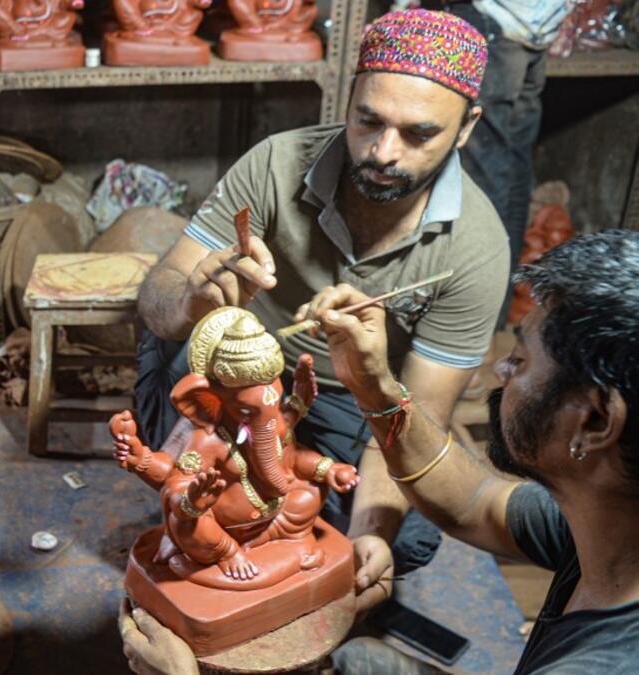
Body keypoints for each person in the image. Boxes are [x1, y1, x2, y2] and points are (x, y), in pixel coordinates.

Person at [122, 229, 639, 674]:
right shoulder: (607, 518)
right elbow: (474, 500)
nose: (500, 371)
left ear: (595, 421)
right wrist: (373, 384)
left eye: (520, 360)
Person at [134, 8, 510, 603]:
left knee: (403, 537)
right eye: (369, 121)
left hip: (349, 398)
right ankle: (209, 510)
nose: (383, 152)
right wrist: (192, 300)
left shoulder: (477, 248)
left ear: (465, 128)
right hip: (231, 377)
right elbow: (156, 302)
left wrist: (369, 535)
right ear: (348, 98)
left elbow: (414, 419)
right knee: (193, 433)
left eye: (418, 134)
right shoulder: (275, 164)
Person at [438, 0, 573, 326]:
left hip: (496, 22)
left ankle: (469, 321)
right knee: (511, 168)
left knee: (483, 175)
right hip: (534, 25)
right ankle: (492, 316)